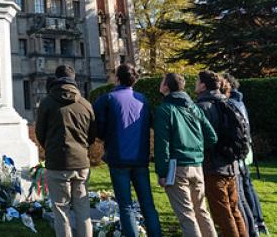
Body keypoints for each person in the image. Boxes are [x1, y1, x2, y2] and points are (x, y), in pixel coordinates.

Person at [94, 64, 163, 237]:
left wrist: (104, 138)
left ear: (117, 78)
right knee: (148, 204)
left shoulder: (107, 99)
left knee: (126, 206)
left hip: (118, 158)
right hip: (140, 157)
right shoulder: (143, 99)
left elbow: (98, 127)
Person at [36, 65, 97, 237]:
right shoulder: (85, 105)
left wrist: (51, 148)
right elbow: (92, 135)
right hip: (81, 162)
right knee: (83, 210)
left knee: (61, 211)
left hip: (57, 162)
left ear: (56, 79)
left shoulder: (47, 103)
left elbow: (40, 133)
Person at [154, 73, 218, 237]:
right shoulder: (194, 108)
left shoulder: (164, 110)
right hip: (197, 166)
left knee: (187, 216)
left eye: (162, 82)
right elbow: (211, 137)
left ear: (166, 87)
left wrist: (162, 172)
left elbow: (163, 144)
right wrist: (196, 149)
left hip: (177, 168)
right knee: (201, 211)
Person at [195, 71, 249, 237]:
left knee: (222, 215)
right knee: (234, 209)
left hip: (214, 166)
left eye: (197, 81)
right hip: (231, 164)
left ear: (203, 85)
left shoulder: (203, 107)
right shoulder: (227, 102)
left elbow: (203, 138)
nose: (195, 84)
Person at [222, 73, 268, 236]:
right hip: (244, 149)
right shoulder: (239, 102)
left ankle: (253, 223)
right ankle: (258, 220)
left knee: (242, 190)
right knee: (247, 185)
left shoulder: (231, 103)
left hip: (238, 151)